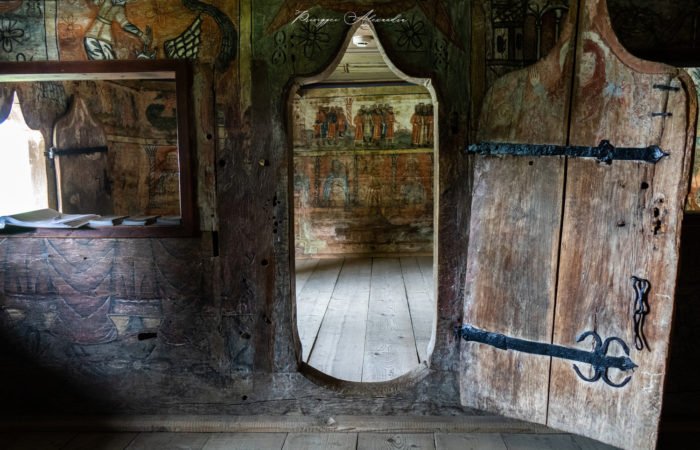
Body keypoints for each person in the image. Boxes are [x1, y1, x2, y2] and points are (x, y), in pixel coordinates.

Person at [84, 0, 152, 60]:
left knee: (110, 63)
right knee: (99, 64)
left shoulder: (120, 9)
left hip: (105, 39)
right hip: (90, 36)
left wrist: (141, 34)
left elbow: (125, 25)